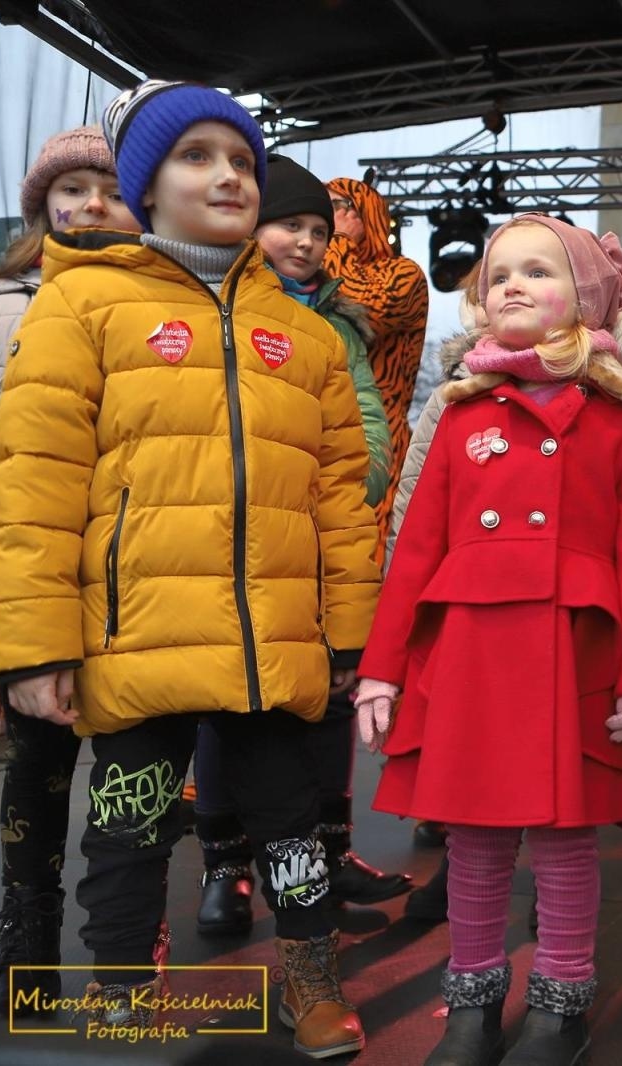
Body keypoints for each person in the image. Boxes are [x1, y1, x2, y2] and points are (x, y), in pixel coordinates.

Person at [0, 80, 380, 1057]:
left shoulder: (312, 338)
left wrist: (349, 634)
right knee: (126, 832)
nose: (228, 176)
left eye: (240, 159)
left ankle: (310, 979)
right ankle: (120, 985)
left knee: (296, 830)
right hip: (137, 636)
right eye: (197, 156)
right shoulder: (82, 303)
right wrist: (35, 650)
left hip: (272, 641)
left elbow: (339, 498)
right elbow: (32, 486)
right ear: (145, 182)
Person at [352, 213, 622, 1066]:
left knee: (567, 835)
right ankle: (471, 1001)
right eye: (498, 274)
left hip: (573, 651)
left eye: (537, 271)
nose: (511, 285)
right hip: (468, 655)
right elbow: (416, 552)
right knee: (473, 836)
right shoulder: (461, 420)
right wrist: (382, 669)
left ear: (587, 298)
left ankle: (561, 999)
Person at [191, 154, 407, 940]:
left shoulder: (337, 324)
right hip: (232, 542)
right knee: (227, 706)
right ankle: (225, 868)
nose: (309, 242)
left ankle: (326, 852)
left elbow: (367, 429)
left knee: (326, 697)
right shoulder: (212, 307)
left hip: (315, 544)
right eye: (292, 225)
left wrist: (356, 479)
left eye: (320, 230)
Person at [0, 124, 141, 1016]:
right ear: (40, 207)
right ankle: (28, 941)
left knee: (129, 769)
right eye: (68, 190)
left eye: (108, 188)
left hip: (132, 579)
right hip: (36, 566)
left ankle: (125, 953)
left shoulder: (171, 303)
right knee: (37, 760)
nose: (88, 205)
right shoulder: (3, 305)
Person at [323, 174, 430, 552]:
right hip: (318, 438)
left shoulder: (403, 274)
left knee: (363, 556)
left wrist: (337, 242)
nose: (325, 215)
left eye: (337, 206)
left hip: (376, 446)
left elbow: (355, 305)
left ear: (364, 214)